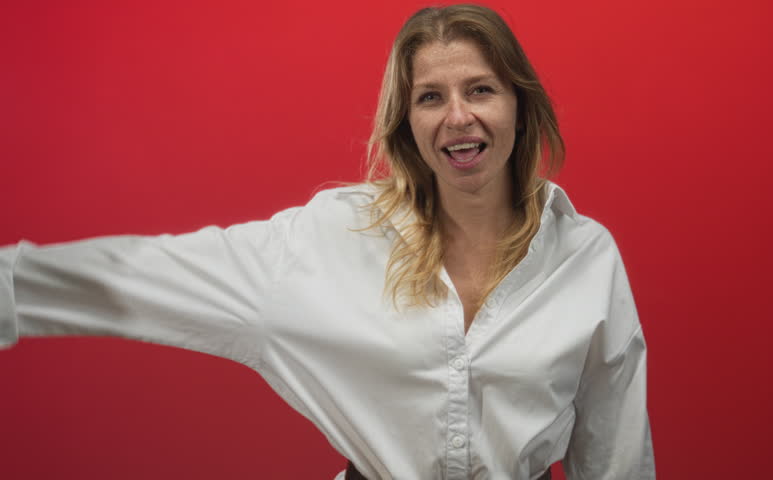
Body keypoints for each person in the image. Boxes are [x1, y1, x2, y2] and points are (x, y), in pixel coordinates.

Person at [0, 4, 655, 479]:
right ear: (408, 122)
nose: (458, 116)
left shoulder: (585, 256)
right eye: (431, 97)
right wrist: (13, 286)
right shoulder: (332, 240)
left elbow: (616, 452)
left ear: (519, 103)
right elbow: (157, 274)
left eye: (480, 89)